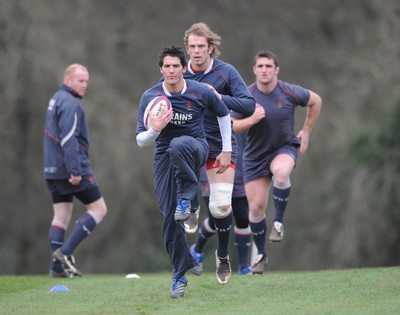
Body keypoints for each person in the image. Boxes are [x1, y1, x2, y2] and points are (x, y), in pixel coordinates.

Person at [136, 46, 232, 298]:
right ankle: (180, 274)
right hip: (164, 156)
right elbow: (140, 140)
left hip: (196, 147)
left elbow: (223, 114)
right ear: (161, 70)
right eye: (166, 66)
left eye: (176, 66)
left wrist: (227, 150)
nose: (171, 70)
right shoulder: (150, 97)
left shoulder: (200, 91)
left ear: (183, 68)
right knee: (169, 219)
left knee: (179, 144)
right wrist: (155, 129)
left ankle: (188, 197)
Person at [234, 50, 322, 274]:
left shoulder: (288, 91)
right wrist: (251, 119)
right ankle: (262, 255)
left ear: (276, 70)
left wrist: (306, 131)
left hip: (283, 148)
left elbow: (316, 101)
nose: (264, 70)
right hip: (254, 157)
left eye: (268, 66)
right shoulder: (245, 95)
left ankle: (279, 223)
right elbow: (232, 125)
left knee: (282, 173)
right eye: (260, 66)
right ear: (254, 69)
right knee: (256, 208)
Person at [182, 22, 255, 282]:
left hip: (221, 146)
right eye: (192, 47)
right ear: (187, 48)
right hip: (190, 145)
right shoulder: (178, 73)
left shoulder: (226, 73)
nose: (197, 52)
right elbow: (160, 98)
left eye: (201, 46)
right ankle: (189, 206)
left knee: (222, 207)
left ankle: (222, 256)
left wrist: (218, 98)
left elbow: (248, 105)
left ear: (211, 48)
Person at [44, 64, 108, 278]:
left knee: (61, 216)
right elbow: (68, 139)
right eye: (80, 81)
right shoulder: (70, 103)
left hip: (52, 169)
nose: (84, 85)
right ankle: (66, 252)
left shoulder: (56, 99)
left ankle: (56, 268)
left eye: (86, 81)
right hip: (70, 168)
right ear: (68, 80)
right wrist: (75, 170)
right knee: (99, 209)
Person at [190, 116, 254, 276]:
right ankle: (197, 251)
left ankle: (244, 267)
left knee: (242, 218)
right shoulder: (208, 99)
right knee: (216, 217)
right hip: (212, 169)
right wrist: (252, 120)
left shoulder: (244, 102)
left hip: (240, 171)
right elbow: (228, 126)